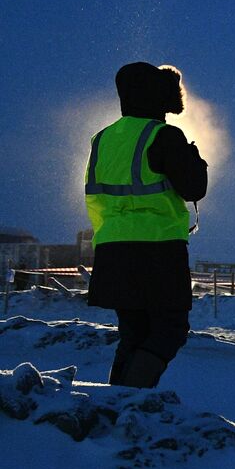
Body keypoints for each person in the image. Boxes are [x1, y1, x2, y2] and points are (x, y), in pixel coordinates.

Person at [84, 62, 208, 387]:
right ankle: (132, 399)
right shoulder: (163, 135)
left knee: (133, 333)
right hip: (157, 249)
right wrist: (194, 160)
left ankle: (115, 407)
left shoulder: (103, 139)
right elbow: (194, 188)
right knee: (170, 330)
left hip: (111, 250)